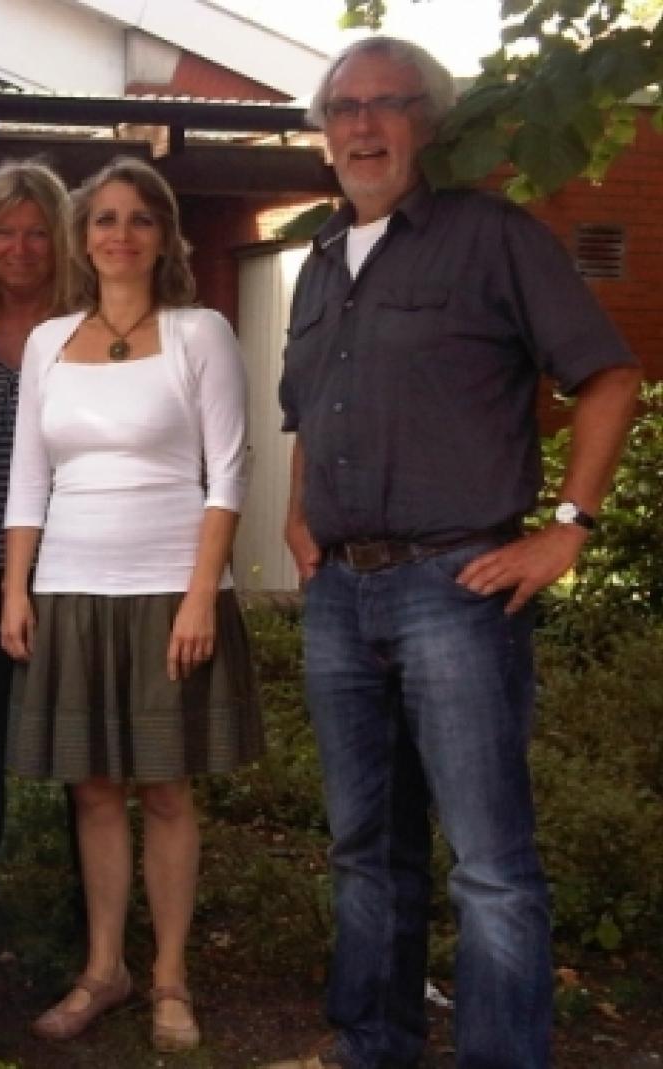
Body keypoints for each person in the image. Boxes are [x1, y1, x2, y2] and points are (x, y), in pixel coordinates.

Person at [265, 37, 641, 1069]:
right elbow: (308, 415)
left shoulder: (492, 238)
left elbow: (608, 377)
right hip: (340, 594)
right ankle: (373, 1045)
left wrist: (569, 528)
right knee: (364, 851)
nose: (362, 125)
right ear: (324, 133)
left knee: (488, 865)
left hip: (458, 589)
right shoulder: (318, 265)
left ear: (428, 122)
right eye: (344, 108)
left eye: (387, 103)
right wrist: (299, 521)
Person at [1, 156, 262, 1051]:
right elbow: (28, 480)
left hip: (169, 592)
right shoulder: (48, 342)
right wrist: (16, 587)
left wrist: (200, 596)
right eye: (104, 218)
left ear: (165, 237)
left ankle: (170, 978)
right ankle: (104, 968)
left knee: (166, 789)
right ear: (83, 237)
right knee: (94, 790)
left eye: (139, 218)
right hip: (70, 590)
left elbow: (229, 472)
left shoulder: (200, 333)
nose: (120, 233)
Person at [0, 158, 76, 911]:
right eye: (5, 231)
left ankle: (91, 929)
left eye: (38, 233)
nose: (21, 248)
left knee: (83, 756)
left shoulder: (86, 328)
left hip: (68, 561)